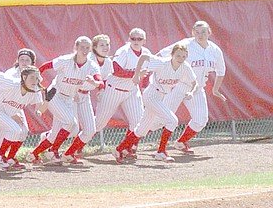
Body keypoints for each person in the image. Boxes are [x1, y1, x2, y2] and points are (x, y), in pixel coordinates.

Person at [114, 44, 197, 163]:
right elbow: (143, 57)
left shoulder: (185, 67)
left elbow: (195, 83)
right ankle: (161, 152)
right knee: (172, 120)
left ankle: (119, 149)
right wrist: (137, 74)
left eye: (184, 56)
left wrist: (192, 92)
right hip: (151, 95)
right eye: (178, 55)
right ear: (172, 54)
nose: (180, 58)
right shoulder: (163, 63)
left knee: (141, 130)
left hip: (161, 96)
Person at [26, 36, 103, 165]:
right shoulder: (66, 60)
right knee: (70, 122)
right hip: (55, 94)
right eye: (81, 47)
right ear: (76, 48)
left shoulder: (91, 65)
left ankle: (33, 154)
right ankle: (53, 151)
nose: (84, 50)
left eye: (87, 48)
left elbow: (101, 83)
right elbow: (45, 66)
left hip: (69, 98)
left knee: (55, 133)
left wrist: (94, 82)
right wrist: (37, 82)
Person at [158, 21, 227, 153]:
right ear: (192, 32)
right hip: (178, 86)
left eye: (203, 32)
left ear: (209, 33)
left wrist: (215, 89)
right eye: (197, 32)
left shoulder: (215, 50)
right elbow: (162, 54)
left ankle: (181, 142)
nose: (200, 35)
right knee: (161, 119)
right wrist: (150, 68)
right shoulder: (186, 44)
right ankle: (131, 143)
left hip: (196, 89)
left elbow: (221, 71)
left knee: (201, 120)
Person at [93, 28, 152, 161]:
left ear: (144, 41)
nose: (136, 41)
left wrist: (144, 87)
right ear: (129, 39)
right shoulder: (124, 51)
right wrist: (136, 74)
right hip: (114, 89)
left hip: (131, 91)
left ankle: (127, 148)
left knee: (138, 123)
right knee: (99, 123)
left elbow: (146, 73)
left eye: (139, 39)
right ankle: (76, 147)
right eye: (133, 38)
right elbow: (116, 71)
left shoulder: (147, 53)